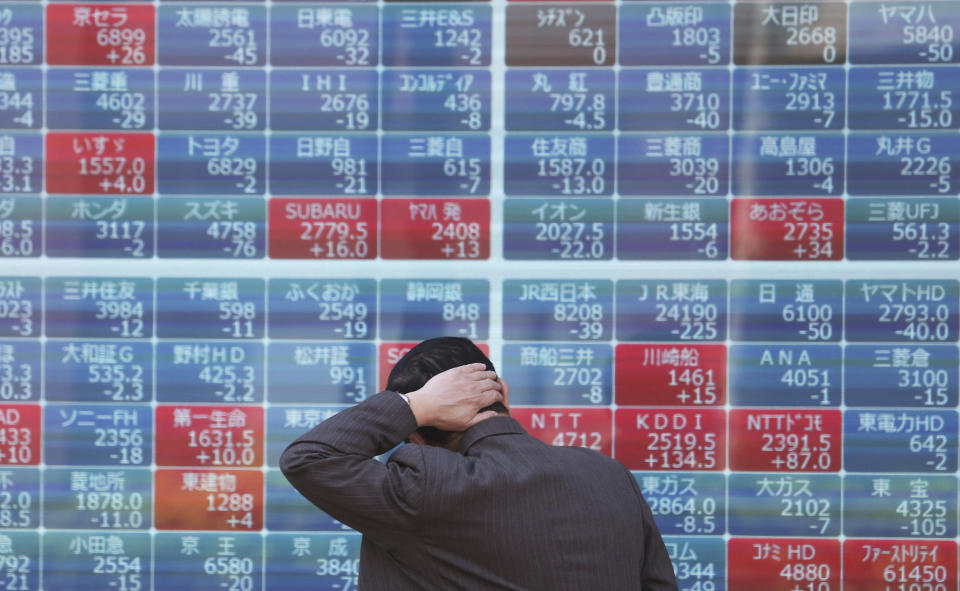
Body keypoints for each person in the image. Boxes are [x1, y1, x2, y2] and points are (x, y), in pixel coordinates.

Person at [280, 337, 678, 590]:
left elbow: (308, 458)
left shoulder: (424, 487)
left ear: (415, 432)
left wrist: (412, 407)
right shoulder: (611, 476)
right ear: (503, 391)